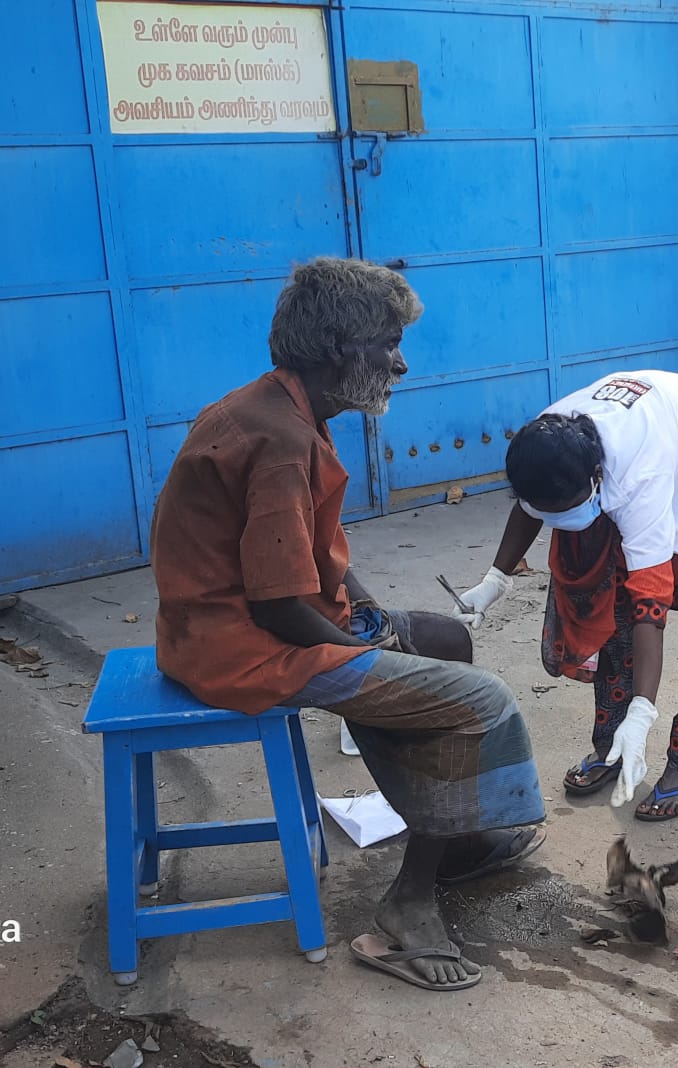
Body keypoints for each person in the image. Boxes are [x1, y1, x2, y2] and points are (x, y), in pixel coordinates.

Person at [150, 258, 545, 991]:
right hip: (240, 647)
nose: (400, 361)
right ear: (340, 347)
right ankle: (408, 905)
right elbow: (277, 606)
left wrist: (373, 623)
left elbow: (312, 562)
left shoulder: (281, 408)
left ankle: (452, 841)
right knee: (476, 700)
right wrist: (368, 646)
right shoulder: (281, 440)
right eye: (388, 343)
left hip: (238, 624)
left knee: (443, 643)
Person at [456, 370, 678, 822]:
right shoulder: (547, 437)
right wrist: (495, 580)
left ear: (596, 476)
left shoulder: (636, 475)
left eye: (569, 509)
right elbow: (529, 505)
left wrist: (643, 713)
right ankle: (610, 745)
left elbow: (652, 604)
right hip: (666, 446)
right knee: (615, 622)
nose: (562, 520)